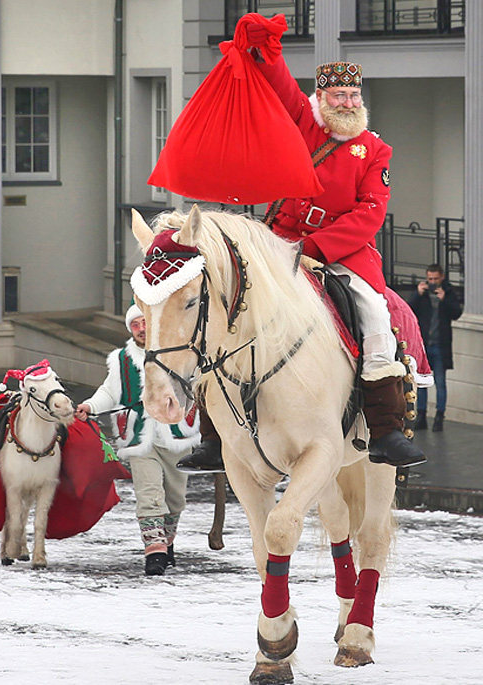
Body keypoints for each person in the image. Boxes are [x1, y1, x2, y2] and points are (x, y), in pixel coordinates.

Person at [177, 16, 426, 473]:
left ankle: (387, 431)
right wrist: (267, 47)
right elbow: (280, 84)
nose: (348, 103)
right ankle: (213, 435)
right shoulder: (304, 124)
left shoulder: (374, 150)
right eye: (338, 96)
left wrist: (316, 248)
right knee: (224, 311)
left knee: (373, 312)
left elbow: (370, 213)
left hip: (342, 252)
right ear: (322, 98)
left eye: (354, 96)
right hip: (279, 241)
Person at [75, 304, 200, 576]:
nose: (142, 329)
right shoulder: (122, 359)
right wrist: (90, 406)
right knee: (149, 494)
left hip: (177, 436)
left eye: (145, 322)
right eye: (135, 325)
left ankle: (167, 543)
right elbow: (109, 391)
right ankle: (154, 551)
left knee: (175, 499)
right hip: (139, 438)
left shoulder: (178, 351)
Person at [408, 264, 463, 431]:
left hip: (440, 345)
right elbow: (409, 310)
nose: (432, 282)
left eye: (435, 279)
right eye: (429, 279)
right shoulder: (422, 293)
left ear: (442, 278)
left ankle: (439, 416)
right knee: (422, 382)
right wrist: (417, 294)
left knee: (440, 382)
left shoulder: (449, 293)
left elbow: (456, 313)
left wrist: (444, 299)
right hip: (424, 345)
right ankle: (422, 416)